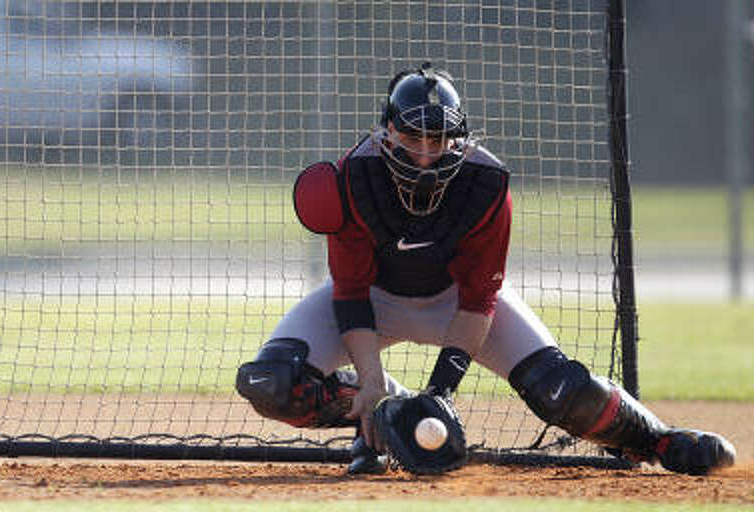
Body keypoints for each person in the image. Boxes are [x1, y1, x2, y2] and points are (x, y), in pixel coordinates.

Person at [235, 62, 736, 476]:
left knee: (562, 392)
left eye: (441, 139)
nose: (427, 154)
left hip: (459, 303)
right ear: (388, 129)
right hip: (373, 299)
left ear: (460, 138)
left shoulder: (486, 183)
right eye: (414, 136)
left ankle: (657, 440)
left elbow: (478, 301)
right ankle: (390, 407)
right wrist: (370, 384)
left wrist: (441, 395)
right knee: (272, 384)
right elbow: (349, 291)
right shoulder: (350, 179)